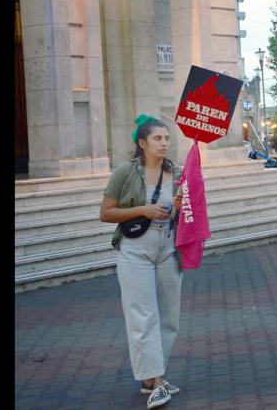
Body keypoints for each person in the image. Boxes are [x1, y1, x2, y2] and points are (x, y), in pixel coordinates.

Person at [100, 114, 185, 409]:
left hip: (168, 248)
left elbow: (179, 216)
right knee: (143, 314)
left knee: (170, 315)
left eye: (167, 138)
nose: (164, 143)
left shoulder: (176, 172)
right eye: (157, 138)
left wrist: (177, 208)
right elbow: (106, 213)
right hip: (134, 249)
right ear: (142, 143)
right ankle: (158, 382)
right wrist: (143, 210)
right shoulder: (125, 173)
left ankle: (150, 377)